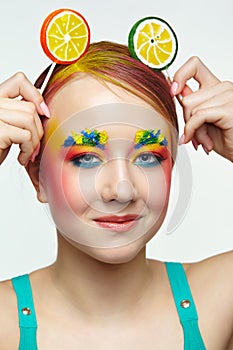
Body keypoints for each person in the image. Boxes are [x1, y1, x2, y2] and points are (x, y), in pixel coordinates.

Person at [0, 41, 232, 350]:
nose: (122, 190)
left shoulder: (221, 303)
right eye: (86, 158)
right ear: (37, 178)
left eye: (149, 157)